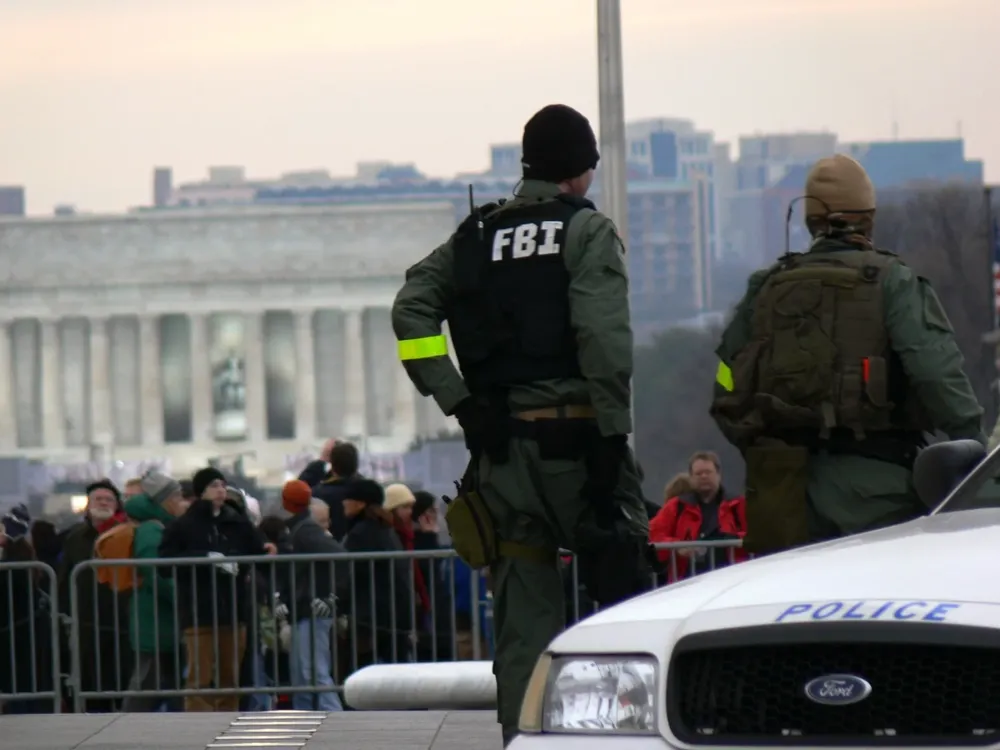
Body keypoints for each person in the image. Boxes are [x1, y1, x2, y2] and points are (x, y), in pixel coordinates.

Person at [391, 103, 653, 746]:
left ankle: (526, 738)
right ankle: (621, 735)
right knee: (621, 600)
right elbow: (604, 342)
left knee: (522, 623)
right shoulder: (586, 232)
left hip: (504, 458)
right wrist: (611, 437)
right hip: (578, 444)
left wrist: (459, 402)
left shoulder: (475, 237)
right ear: (582, 169)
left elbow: (410, 313)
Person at [711, 154, 985, 554]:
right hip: (877, 495)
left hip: (785, 496)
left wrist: (761, 446)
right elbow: (937, 375)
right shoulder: (893, 282)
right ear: (867, 217)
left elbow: (725, 379)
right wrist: (976, 453)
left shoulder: (766, 287)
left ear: (809, 220)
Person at [158, 466, 269, 712]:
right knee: (200, 675)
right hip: (199, 610)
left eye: (222, 485)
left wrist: (239, 559)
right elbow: (165, 562)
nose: (220, 490)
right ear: (200, 492)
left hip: (233, 608)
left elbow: (257, 551)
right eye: (213, 486)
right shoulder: (184, 525)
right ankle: (198, 721)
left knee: (230, 675)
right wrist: (205, 558)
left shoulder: (236, 521)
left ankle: (227, 718)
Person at [122, 470, 190, 712]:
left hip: (163, 621)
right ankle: (123, 727)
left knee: (171, 683)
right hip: (155, 622)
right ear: (166, 501)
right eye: (178, 497)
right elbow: (155, 573)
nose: (182, 503)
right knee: (145, 682)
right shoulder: (152, 529)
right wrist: (182, 598)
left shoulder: (162, 526)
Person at [276, 479, 344, 711]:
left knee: (311, 671)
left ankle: (331, 715)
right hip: (306, 607)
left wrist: (329, 596)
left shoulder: (304, 531)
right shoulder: (304, 529)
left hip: (309, 607)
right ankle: (310, 715)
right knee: (305, 672)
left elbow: (339, 556)